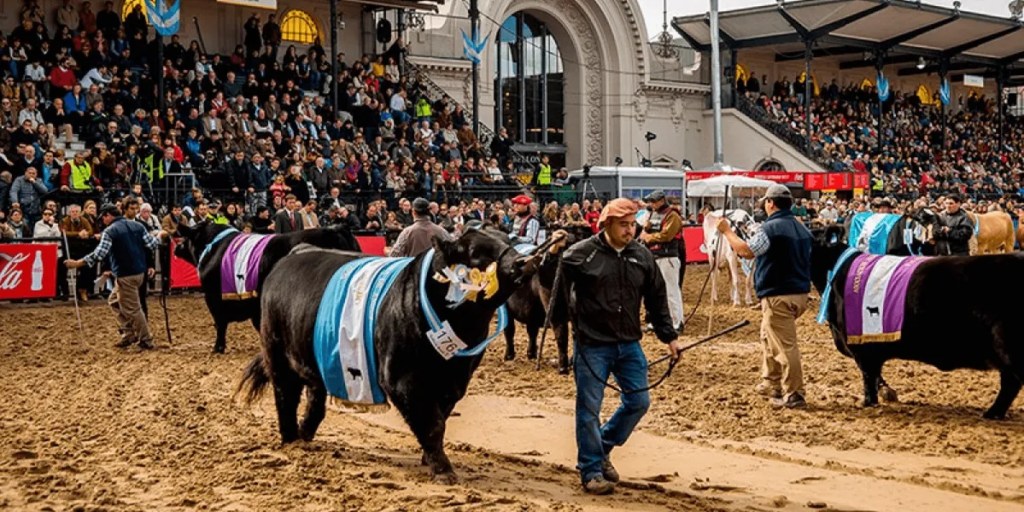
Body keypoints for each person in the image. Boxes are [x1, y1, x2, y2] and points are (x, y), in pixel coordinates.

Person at [552, 198, 682, 495]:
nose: (630, 230)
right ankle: (591, 470)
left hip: (629, 343)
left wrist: (669, 336)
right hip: (591, 344)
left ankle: (602, 447)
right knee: (589, 408)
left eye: (633, 224)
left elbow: (657, 298)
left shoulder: (642, 255)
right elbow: (555, 290)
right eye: (623, 225)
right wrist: (553, 253)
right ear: (606, 224)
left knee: (639, 402)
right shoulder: (578, 256)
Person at [716, 184, 812, 408]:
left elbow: (747, 251)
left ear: (770, 203)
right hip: (799, 292)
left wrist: (727, 232)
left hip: (778, 294)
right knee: (768, 336)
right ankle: (771, 382)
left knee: (785, 345)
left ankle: (795, 392)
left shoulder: (769, 229)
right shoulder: (802, 229)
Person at [65, 203, 167, 349]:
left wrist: (77, 263)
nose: (103, 221)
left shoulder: (110, 231)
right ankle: (128, 333)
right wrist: (161, 236)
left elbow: (99, 254)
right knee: (114, 300)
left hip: (125, 274)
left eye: (103, 218)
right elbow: (152, 244)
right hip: (139, 272)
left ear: (108, 215)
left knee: (133, 309)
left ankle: (145, 339)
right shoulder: (138, 226)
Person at [639, 190, 684, 332]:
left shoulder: (673, 215)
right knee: (654, 291)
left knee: (671, 291)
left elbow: (667, 235)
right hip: (654, 255)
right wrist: (646, 230)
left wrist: (648, 237)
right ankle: (655, 321)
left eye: (653, 201)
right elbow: (646, 231)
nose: (651, 204)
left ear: (661, 201)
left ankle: (677, 322)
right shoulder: (653, 214)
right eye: (650, 202)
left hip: (668, 256)